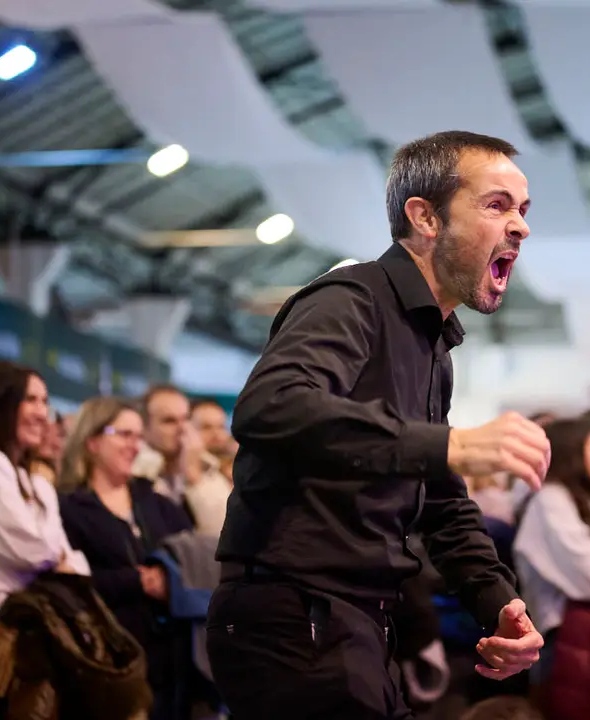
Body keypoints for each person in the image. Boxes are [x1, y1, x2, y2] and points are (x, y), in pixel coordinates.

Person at [207, 130, 549, 719]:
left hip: (355, 623)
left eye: (522, 210)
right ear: (426, 218)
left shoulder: (432, 345)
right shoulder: (350, 298)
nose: (519, 226)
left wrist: (497, 599)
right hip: (296, 619)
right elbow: (271, 404)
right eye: (496, 205)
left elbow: (439, 498)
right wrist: (452, 443)